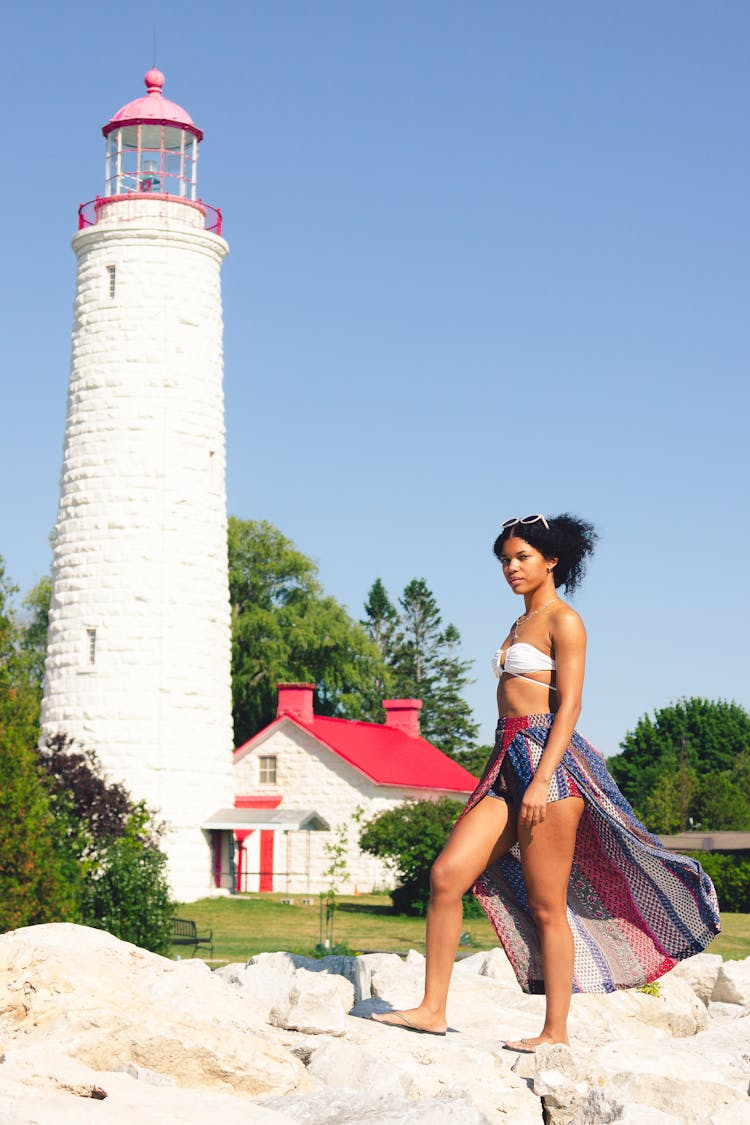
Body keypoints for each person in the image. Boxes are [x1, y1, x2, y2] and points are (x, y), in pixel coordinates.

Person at [372, 513, 720, 1051]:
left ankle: (555, 1032)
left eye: (522, 557)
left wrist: (542, 779)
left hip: (547, 765)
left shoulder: (565, 620)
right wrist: (510, 775)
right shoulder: (516, 625)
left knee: (546, 905)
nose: (511, 567)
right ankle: (432, 1009)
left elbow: (571, 705)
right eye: (505, 560)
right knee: (446, 877)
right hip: (505, 760)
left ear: (551, 560)